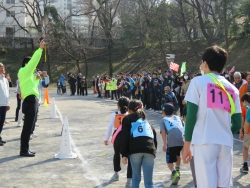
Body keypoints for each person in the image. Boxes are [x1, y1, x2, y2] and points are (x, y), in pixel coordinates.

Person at [182, 46, 242, 188]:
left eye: (202, 62)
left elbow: (190, 116)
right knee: (223, 185)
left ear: (206, 63)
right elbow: (238, 122)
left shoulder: (198, 82)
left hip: (204, 141)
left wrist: (187, 145)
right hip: (226, 143)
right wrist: (224, 131)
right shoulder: (232, 88)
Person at [18, 40, 45, 157]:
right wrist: (40, 49)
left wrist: (38, 77)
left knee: (28, 127)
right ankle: (24, 150)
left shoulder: (28, 75)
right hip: (30, 100)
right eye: (31, 65)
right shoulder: (24, 71)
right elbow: (34, 61)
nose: (34, 67)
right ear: (26, 64)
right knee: (27, 127)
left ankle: (25, 149)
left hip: (31, 100)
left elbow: (37, 82)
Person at [121, 100, 157, 188]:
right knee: (149, 182)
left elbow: (124, 137)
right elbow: (154, 135)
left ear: (128, 110)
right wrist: (154, 151)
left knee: (136, 179)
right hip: (150, 149)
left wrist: (124, 154)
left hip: (135, 150)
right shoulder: (146, 120)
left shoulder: (127, 119)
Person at [104, 97, 132, 187]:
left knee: (116, 154)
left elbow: (109, 127)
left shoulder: (115, 114)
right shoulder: (129, 114)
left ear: (118, 106)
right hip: (127, 137)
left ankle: (116, 173)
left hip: (117, 136)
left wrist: (106, 138)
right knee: (129, 157)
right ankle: (129, 180)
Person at [160, 103, 184, 185]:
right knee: (177, 155)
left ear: (164, 112)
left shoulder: (163, 120)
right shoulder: (178, 118)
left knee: (169, 160)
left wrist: (165, 144)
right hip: (182, 140)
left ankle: (174, 173)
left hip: (172, 140)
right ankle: (178, 170)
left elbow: (163, 132)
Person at [0, 62, 10, 146]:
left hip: (4, 104)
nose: (2, 68)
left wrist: (8, 103)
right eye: (0, 67)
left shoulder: (5, 79)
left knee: (1, 122)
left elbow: (7, 92)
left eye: (3, 66)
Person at [240, 92, 250, 173]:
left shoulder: (245, 109)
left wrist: (242, 132)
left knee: (245, 147)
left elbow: (243, 121)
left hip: (248, 132)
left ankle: (245, 165)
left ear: (245, 101)